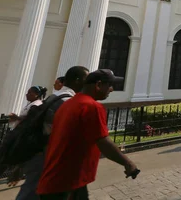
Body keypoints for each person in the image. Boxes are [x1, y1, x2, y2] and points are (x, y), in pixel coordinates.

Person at [37, 69, 137, 200]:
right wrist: (128, 163)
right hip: (67, 180)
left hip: (61, 176)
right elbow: (103, 141)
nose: (111, 89)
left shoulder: (70, 103)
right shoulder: (91, 106)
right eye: (110, 85)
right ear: (98, 85)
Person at [14, 67, 89, 200]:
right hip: (46, 152)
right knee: (32, 190)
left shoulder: (55, 96)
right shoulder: (67, 101)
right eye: (86, 79)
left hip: (41, 150)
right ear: (77, 80)